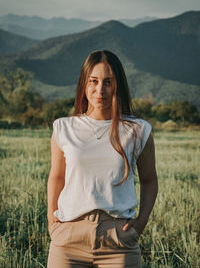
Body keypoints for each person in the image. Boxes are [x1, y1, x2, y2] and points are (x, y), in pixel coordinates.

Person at [47, 50, 158, 268]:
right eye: (94, 81)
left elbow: (149, 181)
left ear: (119, 85)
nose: (100, 90)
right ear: (84, 84)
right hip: (68, 240)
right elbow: (56, 177)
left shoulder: (138, 130)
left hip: (118, 241)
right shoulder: (64, 128)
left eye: (108, 82)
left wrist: (141, 222)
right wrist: (52, 221)